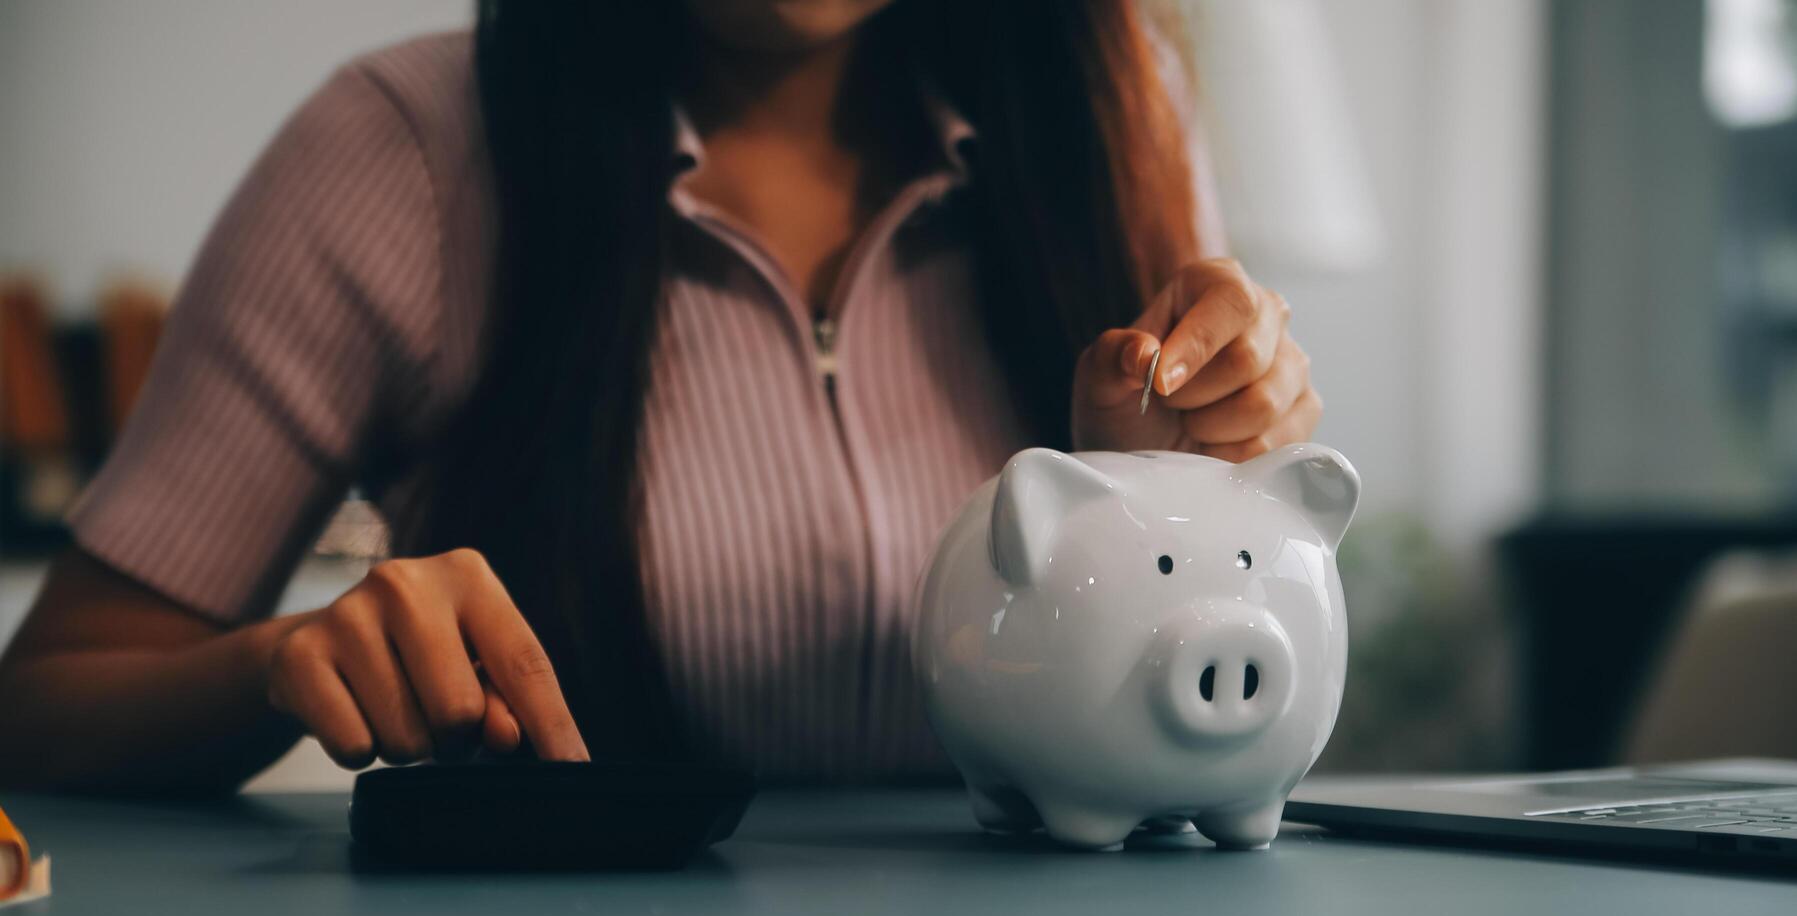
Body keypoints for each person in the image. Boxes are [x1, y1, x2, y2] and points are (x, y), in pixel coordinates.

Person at [0, 0, 1319, 792]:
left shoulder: (1107, 118)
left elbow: (1198, 683)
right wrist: (283, 664)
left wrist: (1175, 480)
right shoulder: (395, 152)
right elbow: (47, 706)